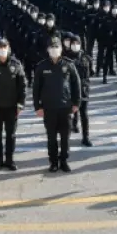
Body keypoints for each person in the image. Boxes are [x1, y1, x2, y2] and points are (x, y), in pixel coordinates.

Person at [33, 38, 82, 171]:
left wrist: (76, 102)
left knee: (65, 137)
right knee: (51, 137)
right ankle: (53, 162)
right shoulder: (42, 66)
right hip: (49, 108)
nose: (54, 49)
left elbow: (76, 84)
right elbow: (36, 88)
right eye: (52, 47)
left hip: (65, 107)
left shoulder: (68, 64)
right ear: (48, 49)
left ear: (61, 49)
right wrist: (37, 107)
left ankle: (64, 161)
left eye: (57, 47)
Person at [0, 38, 26, 171]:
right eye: (0, 46)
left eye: (4, 46)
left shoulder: (16, 64)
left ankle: (9, 160)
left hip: (12, 107)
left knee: (10, 135)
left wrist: (20, 105)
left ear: (9, 48)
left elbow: (22, 87)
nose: (2, 49)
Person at [64, 34, 94, 147]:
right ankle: (66, 136)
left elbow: (91, 72)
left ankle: (86, 137)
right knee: (68, 114)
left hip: (83, 89)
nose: (75, 45)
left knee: (84, 114)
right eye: (73, 43)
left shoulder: (86, 58)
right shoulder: (66, 58)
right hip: (70, 90)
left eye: (77, 43)